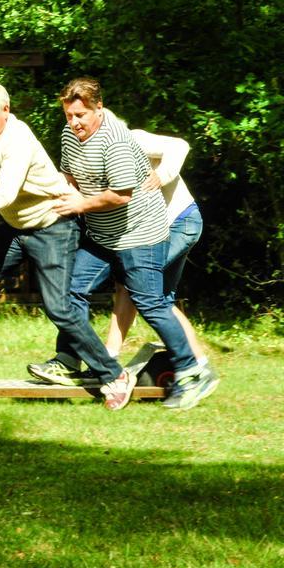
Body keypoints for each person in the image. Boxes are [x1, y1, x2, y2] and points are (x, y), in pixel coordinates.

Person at [0, 82, 134, 411]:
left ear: (6, 111)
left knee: (60, 308)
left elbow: (5, 194)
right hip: (16, 225)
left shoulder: (18, 139)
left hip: (53, 223)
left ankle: (114, 375)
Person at [41, 77, 216, 410]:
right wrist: (58, 190)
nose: (75, 123)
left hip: (141, 233)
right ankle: (86, 363)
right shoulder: (69, 135)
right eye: (69, 116)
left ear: (99, 108)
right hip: (103, 234)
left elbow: (121, 196)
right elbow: (70, 176)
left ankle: (193, 371)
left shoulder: (116, 141)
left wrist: (78, 204)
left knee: (151, 302)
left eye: (81, 115)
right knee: (70, 292)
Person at [102, 123, 218, 388]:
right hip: (162, 229)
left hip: (179, 222)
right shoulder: (97, 156)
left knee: (133, 284)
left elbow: (180, 145)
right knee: (161, 299)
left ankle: (108, 359)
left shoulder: (132, 139)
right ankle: (200, 366)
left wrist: (162, 175)